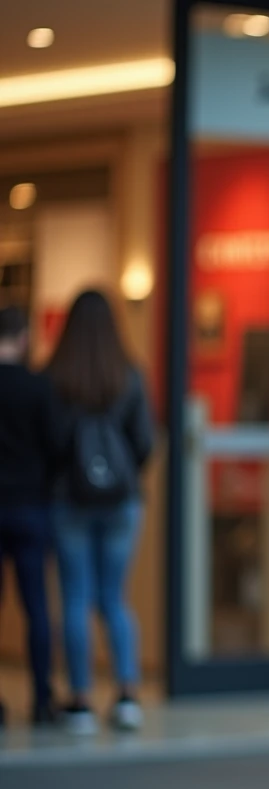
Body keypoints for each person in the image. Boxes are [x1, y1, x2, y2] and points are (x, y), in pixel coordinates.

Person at [45, 290, 155, 735]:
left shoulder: (56, 377)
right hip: (121, 503)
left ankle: (81, 701)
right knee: (114, 598)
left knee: (75, 598)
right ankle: (127, 695)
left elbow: (49, 443)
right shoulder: (130, 374)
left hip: (69, 499)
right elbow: (145, 441)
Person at [0, 307, 63, 727]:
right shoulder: (39, 387)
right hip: (30, 507)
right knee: (36, 605)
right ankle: (42, 699)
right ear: (23, 338)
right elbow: (57, 446)